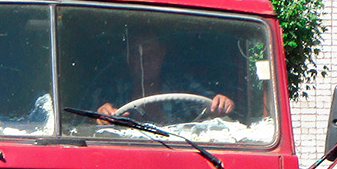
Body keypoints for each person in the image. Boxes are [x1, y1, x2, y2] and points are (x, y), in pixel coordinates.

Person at [96, 29, 234, 119]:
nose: (146, 60)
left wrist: (221, 103)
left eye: (152, 54)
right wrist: (100, 117)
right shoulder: (111, 89)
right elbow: (79, 126)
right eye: (137, 54)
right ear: (127, 57)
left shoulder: (181, 85)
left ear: (162, 54)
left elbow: (210, 103)